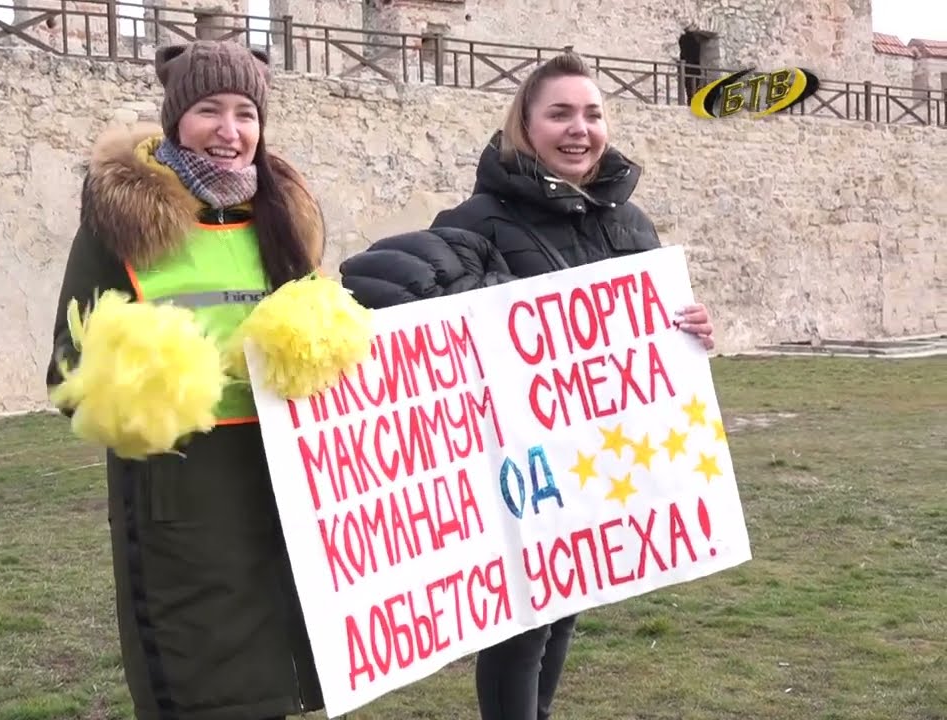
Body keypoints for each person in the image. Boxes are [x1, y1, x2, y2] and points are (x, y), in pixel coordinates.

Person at [338, 51, 715, 720]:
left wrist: (691, 331)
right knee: (522, 620)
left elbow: (648, 333)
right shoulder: (480, 218)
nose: (579, 129)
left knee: (568, 599)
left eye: (592, 114)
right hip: (519, 459)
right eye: (560, 114)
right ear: (526, 125)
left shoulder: (630, 223)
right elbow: (415, 307)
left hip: (596, 451)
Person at [43, 39, 328, 720]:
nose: (229, 131)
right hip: (180, 485)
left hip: (281, 475)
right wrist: (147, 380)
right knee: (203, 688)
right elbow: (67, 363)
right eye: (209, 110)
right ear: (176, 118)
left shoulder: (284, 216)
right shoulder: (121, 221)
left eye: (245, 114)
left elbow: (317, 326)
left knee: (278, 675)